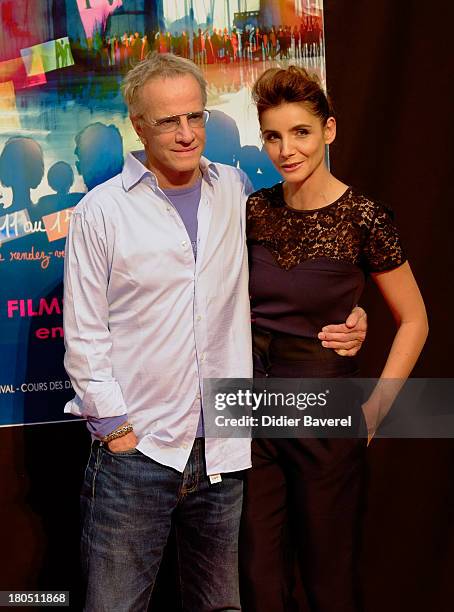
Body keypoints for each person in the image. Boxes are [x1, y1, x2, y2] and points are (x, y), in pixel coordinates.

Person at [63, 54, 367, 611]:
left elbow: (281, 282)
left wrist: (353, 313)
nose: (186, 134)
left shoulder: (237, 190)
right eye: (167, 121)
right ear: (138, 125)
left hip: (227, 454)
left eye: (195, 117)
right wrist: (117, 431)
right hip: (141, 450)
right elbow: (83, 336)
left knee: (222, 606)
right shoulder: (99, 213)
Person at [239, 65, 428, 612]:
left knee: (328, 579)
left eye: (300, 132)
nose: (285, 149)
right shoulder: (255, 210)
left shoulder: (365, 217)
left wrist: (376, 410)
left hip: (325, 411)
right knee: (256, 577)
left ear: (329, 130)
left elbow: (415, 319)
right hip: (251, 413)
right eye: (273, 135)